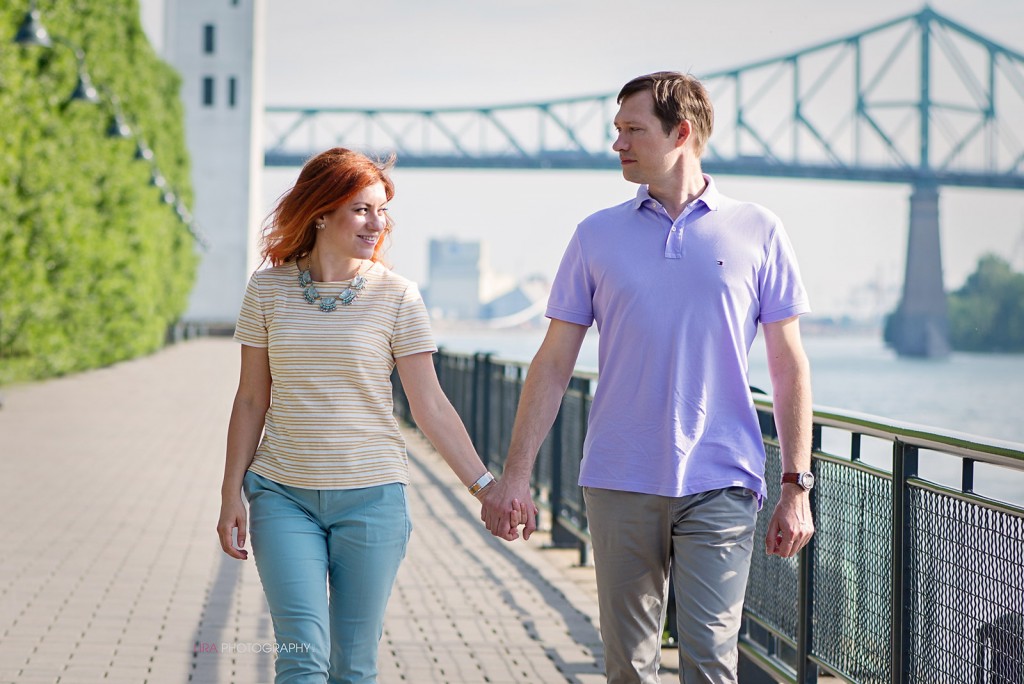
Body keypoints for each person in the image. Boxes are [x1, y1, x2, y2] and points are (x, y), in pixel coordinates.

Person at [480, 72, 815, 683]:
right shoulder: (595, 235)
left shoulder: (758, 230)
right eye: (618, 131)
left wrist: (796, 485)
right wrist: (517, 476)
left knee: (711, 659)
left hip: (722, 478)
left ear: (681, 133)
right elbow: (554, 362)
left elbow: (788, 365)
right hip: (619, 474)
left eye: (632, 130)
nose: (618, 144)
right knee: (629, 667)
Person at [217, 147, 524, 684]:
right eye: (361, 209)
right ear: (320, 211)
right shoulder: (266, 289)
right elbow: (249, 399)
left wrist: (485, 487)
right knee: (301, 658)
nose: (376, 223)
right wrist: (229, 496)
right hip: (282, 495)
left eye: (381, 210)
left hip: (373, 498)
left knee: (354, 668)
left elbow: (429, 405)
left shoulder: (398, 296)